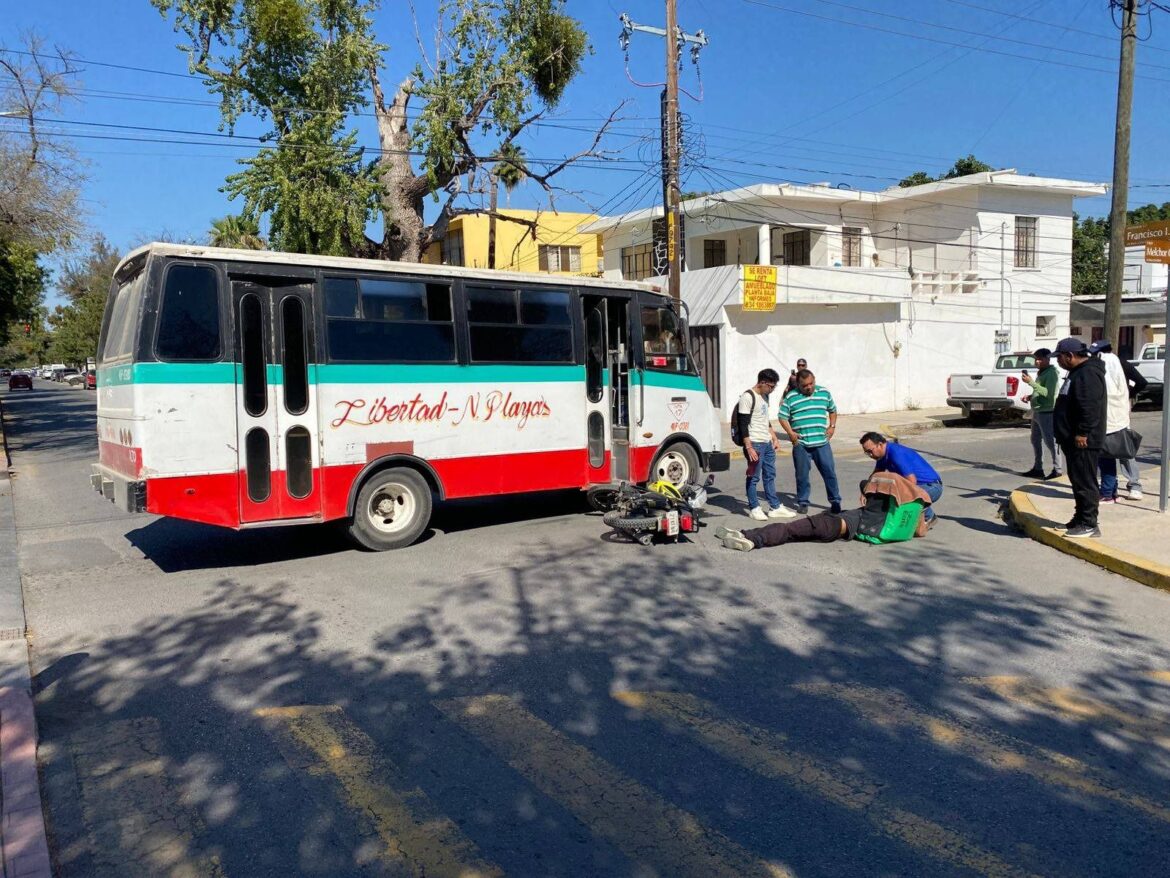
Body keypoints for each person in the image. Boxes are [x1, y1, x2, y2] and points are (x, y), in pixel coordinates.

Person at [714, 471, 932, 551]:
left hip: (834, 525)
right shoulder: (899, 510)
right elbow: (920, 531)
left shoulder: (878, 502)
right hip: (835, 525)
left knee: (790, 530)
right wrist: (924, 513)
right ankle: (745, 534)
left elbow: (872, 482)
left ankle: (752, 539)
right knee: (793, 534)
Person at [1052, 337, 1107, 538]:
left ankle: (1089, 523)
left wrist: (1083, 432)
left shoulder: (1088, 374)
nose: (1058, 361)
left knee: (1085, 481)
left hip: (1083, 440)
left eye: (1059, 357)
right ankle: (1080, 518)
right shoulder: (1077, 373)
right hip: (1072, 439)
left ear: (1070, 356)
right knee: (1077, 481)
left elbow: (1090, 406)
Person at [736, 368, 797, 521]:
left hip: (766, 442)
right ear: (762, 382)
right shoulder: (747, 397)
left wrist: (774, 437)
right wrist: (748, 446)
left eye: (774, 387)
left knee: (770, 475)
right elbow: (742, 423)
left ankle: (774, 506)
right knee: (753, 477)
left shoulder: (765, 396)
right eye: (770, 386)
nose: (772, 389)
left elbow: (765, 419)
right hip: (754, 443)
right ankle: (754, 507)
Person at [778, 369, 842, 515]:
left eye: (811, 383)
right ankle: (803, 502)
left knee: (829, 473)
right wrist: (790, 433)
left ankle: (835, 501)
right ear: (799, 385)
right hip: (802, 444)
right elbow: (782, 416)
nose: (809, 387)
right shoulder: (791, 397)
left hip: (822, 443)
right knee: (802, 476)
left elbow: (832, 410)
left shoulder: (824, 392)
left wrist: (832, 427)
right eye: (805, 385)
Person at [1090, 340, 1146, 500]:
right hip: (1119, 408)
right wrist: (1128, 394)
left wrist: (1128, 394)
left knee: (1120, 449)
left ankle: (1133, 485)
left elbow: (1142, 382)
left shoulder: (1113, 363)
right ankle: (1124, 486)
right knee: (1119, 448)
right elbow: (1142, 382)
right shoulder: (1118, 363)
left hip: (1115, 410)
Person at [859, 432, 943, 521]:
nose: (870, 455)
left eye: (870, 451)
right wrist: (865, 492)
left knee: (898, 499)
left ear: (880, 445)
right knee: (885, 495)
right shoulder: (882, 456)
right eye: (866, 453)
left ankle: (928, 516)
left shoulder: (896, 453)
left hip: (931, 487)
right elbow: (875, 476)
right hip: (917, 486)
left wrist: (897, 497)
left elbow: (912, 481)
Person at [1020, 348, 1062, 480]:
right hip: (1038, 411)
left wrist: (1031, 383)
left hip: (1047, 412)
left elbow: (1048, 394)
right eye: (1035, 359)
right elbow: (1040, 392)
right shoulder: (1042, 372)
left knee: (1051, 442)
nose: (1037, 361)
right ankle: (1038, 468)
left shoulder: (1051, 373)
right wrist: (1031, 396)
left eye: (1039, 359)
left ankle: (1057, 469)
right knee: (1035, 440)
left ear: (1047, 359)